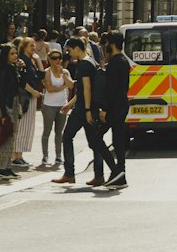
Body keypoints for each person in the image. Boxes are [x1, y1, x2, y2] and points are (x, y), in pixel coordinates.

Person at [53, 37, 100, 186]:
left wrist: (86, 109)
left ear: (77, 48)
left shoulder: (85, 65)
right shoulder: (90, 61)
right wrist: (70, 104)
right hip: (85, 107)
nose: (69, 53)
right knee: (94, 142)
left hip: (83, 109)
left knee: (67, 137)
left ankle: (69, 173)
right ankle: (99, 175)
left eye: (70, 50)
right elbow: (81, 89)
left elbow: (86, 88)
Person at [97, 30, 131, 189]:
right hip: (122, 105)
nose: (105, 46)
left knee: (96, 138)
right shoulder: (124, 61)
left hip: (113, 107)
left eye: (107, 43)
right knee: (118, 139)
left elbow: (111, 89)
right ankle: (120, 174)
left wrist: (104, 109)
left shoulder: (115, 63)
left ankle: (116, 171)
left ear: (112, 44)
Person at [12, 36, 45, 169]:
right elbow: (22, 81)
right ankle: (16, 155)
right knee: (22, 126)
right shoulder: (22, 61)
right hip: (25, 97)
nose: (34, 47)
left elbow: (41, 75)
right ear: (24, 47)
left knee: (28, 127)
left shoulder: (31, 61)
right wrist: (33, 92)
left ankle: (20, 155)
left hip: (31, 96)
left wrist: (38, 60)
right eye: (31, 45)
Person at [0, 42, 23, 181]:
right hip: (7, 104)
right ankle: (1, 167)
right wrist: (5, 113)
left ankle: (7, 165)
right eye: (12, 53)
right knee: (6, 136)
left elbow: (19, 85)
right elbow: (3, 92)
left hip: (14, 102)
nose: (15, 55)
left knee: (12, 136)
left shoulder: (13, 68)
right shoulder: (4, 70)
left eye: (16, 53)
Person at [39, 47, 72, 168]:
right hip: (49, 105)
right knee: (47, 131)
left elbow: (71, 85)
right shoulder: (47, 72)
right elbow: (50, 89)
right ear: (49, 59)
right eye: (54, 58)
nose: (57, 60)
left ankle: (58, 155)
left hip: (62, 105)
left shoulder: (65, 72)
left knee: (59, 132)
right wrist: (63, 87)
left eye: (59, 58)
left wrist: (63, 75)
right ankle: (45, 156)